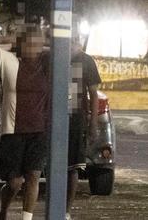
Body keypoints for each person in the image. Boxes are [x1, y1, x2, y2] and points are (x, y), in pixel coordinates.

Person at [0, 25, 51, 220]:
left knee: (34, 176)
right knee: (14, 183)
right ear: (21, 43)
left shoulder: (47, 64)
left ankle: (27, 218)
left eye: (38, 42)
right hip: (13, 132)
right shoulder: (10, 62)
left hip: (39, 131)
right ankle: (3, 210)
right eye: (29, 41)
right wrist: (9, 37)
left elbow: (66, 51)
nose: (34, 46)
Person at [66, 34, 101, 219]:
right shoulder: (55, 57)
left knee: (73, 167)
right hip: (54, 118)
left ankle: (66, 211)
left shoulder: (87, 61)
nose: (72, 44)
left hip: (76, 119)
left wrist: (93, 123)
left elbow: (94, 94)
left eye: (74, 40)